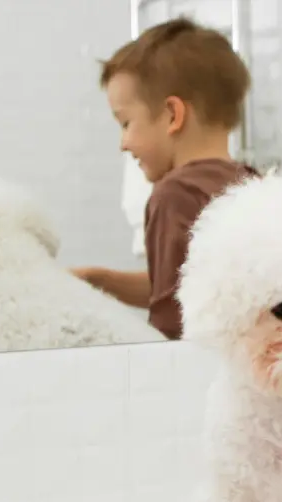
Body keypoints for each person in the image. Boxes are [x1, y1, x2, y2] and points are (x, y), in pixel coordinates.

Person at [73, 17, 257, 340]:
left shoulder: (174, 196)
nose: (123, 143)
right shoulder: (250, 182)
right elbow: (178, 289)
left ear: (173, 115)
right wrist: (103, 280)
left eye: (126, 122)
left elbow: (171, 324)